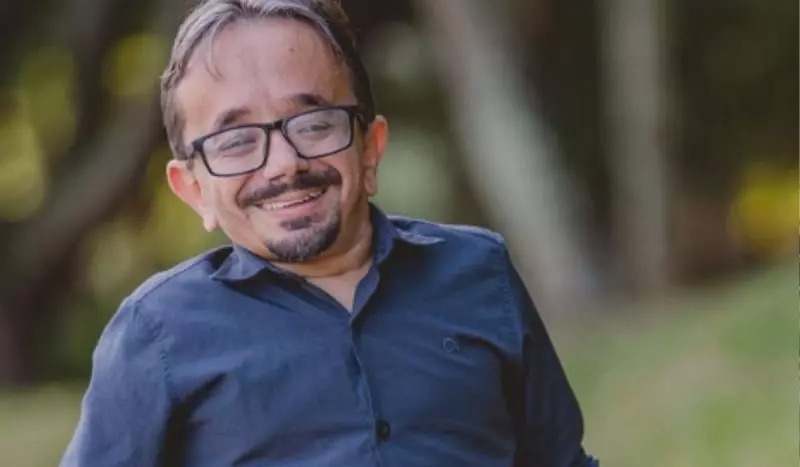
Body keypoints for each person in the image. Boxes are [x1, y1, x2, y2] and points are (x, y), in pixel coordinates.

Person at [61, 0, 598, 465]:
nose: (284, 164)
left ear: (370, 149)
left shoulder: (478, 273)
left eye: (315, 124)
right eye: (236, 141)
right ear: (193, 189)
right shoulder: (158, 332)